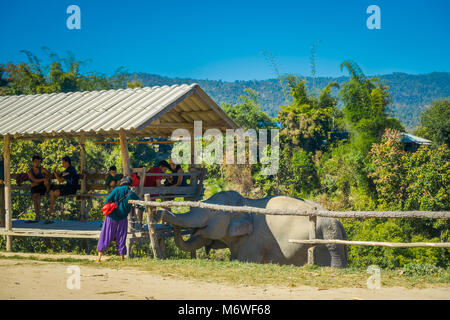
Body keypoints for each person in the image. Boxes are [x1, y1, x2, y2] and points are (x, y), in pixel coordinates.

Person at [97, 176, 140, 262]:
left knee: (106, 236)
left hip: (111, 218)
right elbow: (141, 205)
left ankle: (99, 257)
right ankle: (122, 258)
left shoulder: (116, 190)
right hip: (122, 218)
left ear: (122, 182)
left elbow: (106, 201)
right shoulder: (131, 193)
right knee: (121, 237)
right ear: (130, 184)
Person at [47, 156, 79, 221]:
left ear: (67, 162)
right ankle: (51, 208)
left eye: (63, 162)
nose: (62, 164)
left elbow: (60, 180)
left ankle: (51, 209)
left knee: (53, 192)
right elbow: (62, 176)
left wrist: (54, 171)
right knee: (53, 191)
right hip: (70, 187)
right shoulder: (72, 168)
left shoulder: (69, 170)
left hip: (71, 189)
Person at [27, 155, 51, 222]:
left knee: (46, 181)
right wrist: (43, 179)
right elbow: (34, 180)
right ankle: (38, 215)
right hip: (35, 188)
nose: (37, 163)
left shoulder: (42, 169)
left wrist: (46, 177)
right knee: (35, 197)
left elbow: (49, 174)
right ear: (33, 162)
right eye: (36, 162)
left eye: (39, 162)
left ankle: (47, 192)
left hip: (42, 186)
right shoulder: (30, 171)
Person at [0, 155, 4, 227]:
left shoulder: (2, 164)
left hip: (1, 185)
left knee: (2, 204)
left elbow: (0, 180)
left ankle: (2, 221)